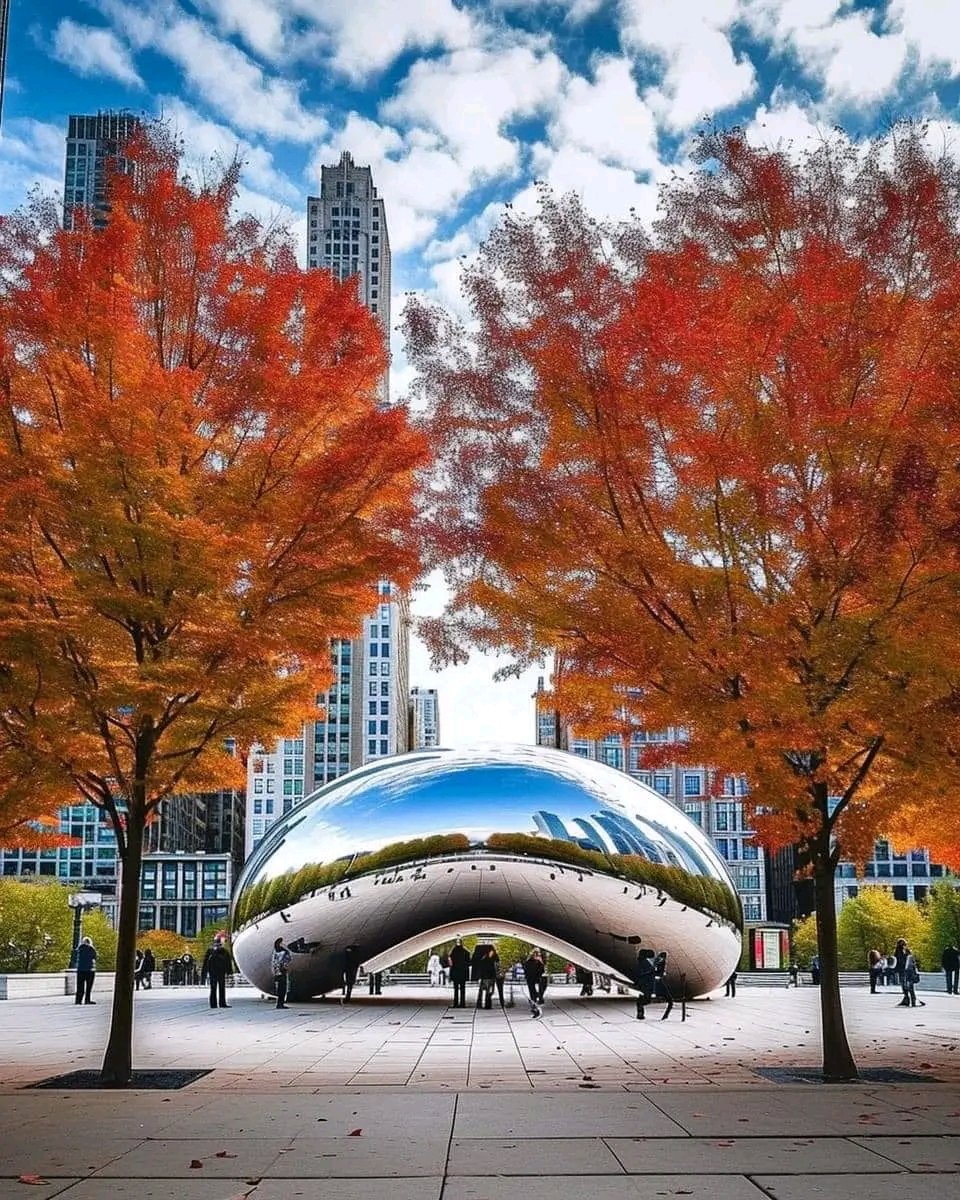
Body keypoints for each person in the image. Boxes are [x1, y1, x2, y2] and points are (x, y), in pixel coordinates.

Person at [200, 936, 233, 1009]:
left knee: (219, 988)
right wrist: (229, 971)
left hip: (218, 972)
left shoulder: (223, 951)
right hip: (215, 972)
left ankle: (219, 1003)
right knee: (215, 988)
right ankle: (216, 1003)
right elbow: (206, 962)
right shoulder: (211, 951)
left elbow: (228, 962)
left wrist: (229, 972)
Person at [634, 947, 656, 1019]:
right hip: (645, 983)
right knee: (645, 999)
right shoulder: (644, 963)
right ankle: (640, 1013)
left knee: (643, 999)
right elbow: (641, 972)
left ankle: (640, 1013)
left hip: (645, 983)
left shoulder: (644, 962)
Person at [448, 938, 470, 1008]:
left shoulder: (453, 952)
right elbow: (469, 962)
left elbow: (451, 962)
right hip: (463, 973)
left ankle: (456, 1003)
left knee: (456, 989)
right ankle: (462, 1003)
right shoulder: (466, 952)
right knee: (463, 989)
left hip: (456, 973)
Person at [523, 949, 545, 1017]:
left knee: (540, 987)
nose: (537, 956)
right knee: (532, 991)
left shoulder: (538, 962)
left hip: (536, 977)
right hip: (531, 978)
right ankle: (535, 1001)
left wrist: (541, 962)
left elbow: (542, 970)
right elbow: (527, 970)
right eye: (536, 955)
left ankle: (538, 998)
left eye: (538, 955)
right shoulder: (529, 962)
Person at [74, 936, 97, 1005]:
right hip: (90, 970)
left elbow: (75, 959)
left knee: (80, 986)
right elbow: (95, 958)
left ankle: (78, 1000)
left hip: (80, 970)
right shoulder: (92, 949)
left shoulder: (79, 949)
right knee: (88, 987)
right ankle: (87, 1000)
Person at [272, 936, 292, 1009]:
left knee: (281, 989)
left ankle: (280, 1003)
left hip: (278, 972)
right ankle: (280, 1004)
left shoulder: (275, 955)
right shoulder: (282, 953)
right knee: (282, 989)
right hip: (281, 972)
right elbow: (288, 958)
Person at [653, 950, 674, 1020]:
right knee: (670, 1001)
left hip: (658, 982)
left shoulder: (657, 963)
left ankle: (665, 1015)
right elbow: (659, 973)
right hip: (660, 982)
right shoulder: (661, 963)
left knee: (670, 1001)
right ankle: (665, 1016)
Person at [476, 946, 498, 1010]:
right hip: (487, 978)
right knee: (488, 991)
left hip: (489, 978)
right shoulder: (486, 960)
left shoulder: (490, 959)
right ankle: (487, 1005)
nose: (492, 953)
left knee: (489, 992)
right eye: (491, 952)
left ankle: (487, 1004)